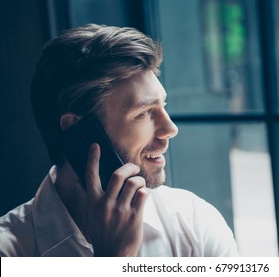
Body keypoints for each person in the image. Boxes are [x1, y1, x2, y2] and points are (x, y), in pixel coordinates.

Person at [0, 24, 239, 257]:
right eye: (144, 112)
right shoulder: (9, 251)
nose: (170, 129)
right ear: (78, 131)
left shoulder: (194, 223)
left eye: (162, 106)